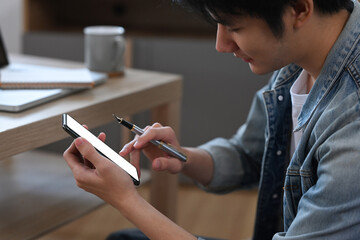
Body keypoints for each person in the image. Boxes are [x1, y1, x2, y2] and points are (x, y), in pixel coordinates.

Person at [63, 0, 360, 239]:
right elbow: (249, 155)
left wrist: (125, 199)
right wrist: (184, 158)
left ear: (299, 9)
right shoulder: (301, 57)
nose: (221, 44)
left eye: (234, 27)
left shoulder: (351, 120)